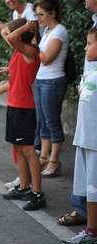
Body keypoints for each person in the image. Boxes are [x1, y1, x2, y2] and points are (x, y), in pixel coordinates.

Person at [57, 0, 97, 227]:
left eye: (89, 43)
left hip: (94, 135)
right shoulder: (94, 21)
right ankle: (88, 220)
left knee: (93, 181)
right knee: (88, 179)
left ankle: (92, 228)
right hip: (87, 133)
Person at [0, 18, 45, 211]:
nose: (8, 37)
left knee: (28, 151)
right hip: (14, 105)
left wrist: (29, 25)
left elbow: (10, 36)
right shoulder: (19, 51)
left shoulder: (30, 50)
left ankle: (37, 193)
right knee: (18, 149)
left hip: (24, 108)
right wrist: (10, 69)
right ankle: (24, 187)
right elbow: (8, 35)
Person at [33, 0, 68, 178]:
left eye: (41, 14)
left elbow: (46, 59)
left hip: (53, 81)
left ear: (52, 13)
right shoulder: (46, 31)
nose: (38, 18)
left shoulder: (60, 32)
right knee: (42, 121)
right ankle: (44, 156)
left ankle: (55, 160)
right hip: (41, 80)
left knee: (52, 122)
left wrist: (33, 45)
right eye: (37, 15)